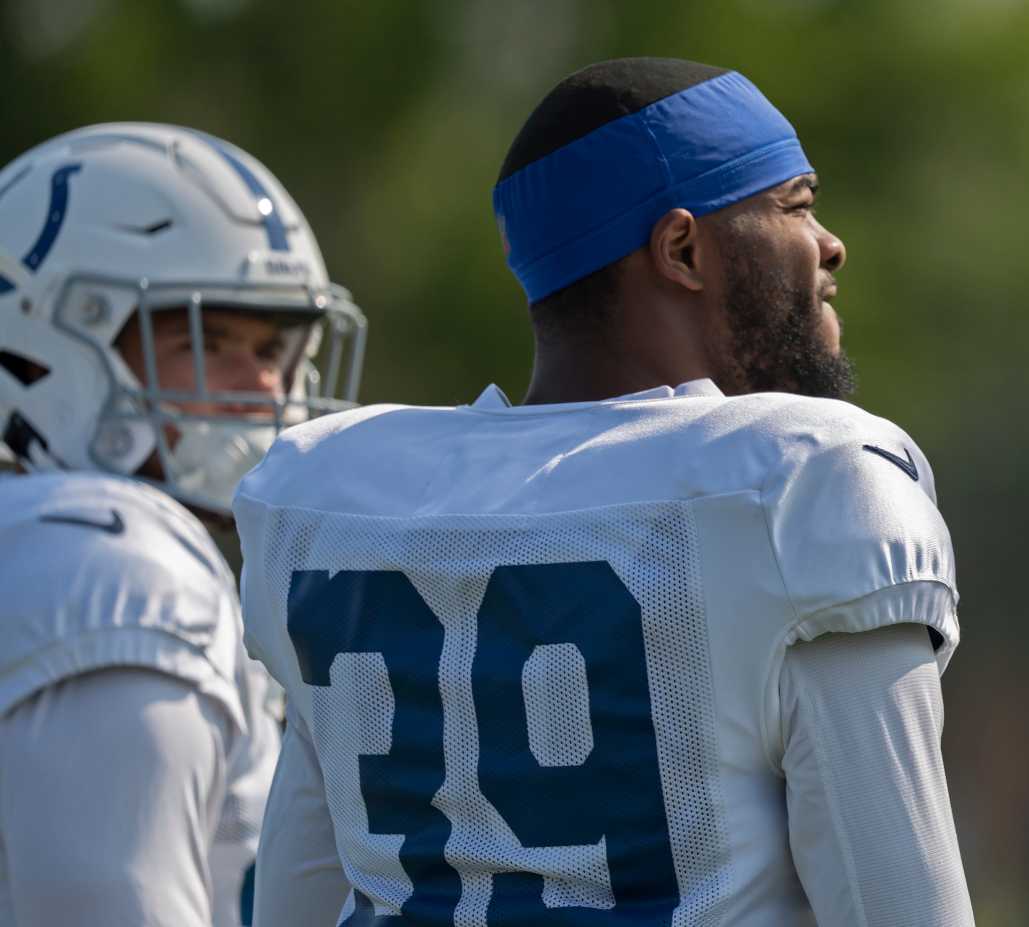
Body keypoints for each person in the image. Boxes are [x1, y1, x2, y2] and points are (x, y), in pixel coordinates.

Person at [235, 57, 975, 926]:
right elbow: (899, 903)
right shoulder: (800, 487)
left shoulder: (337, 501)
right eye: (796, 205)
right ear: (683, 250)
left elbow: (292, 902)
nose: (828, 242)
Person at [0, 122, 366, 927]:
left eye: (275, 347)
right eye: (206, 342)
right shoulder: (109, 563)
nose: (265, 389)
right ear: (37, 351)